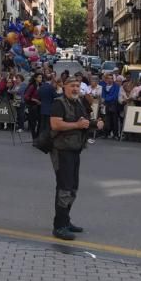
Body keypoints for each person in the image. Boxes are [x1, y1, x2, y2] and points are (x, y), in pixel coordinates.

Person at [48, 75, 103, 241]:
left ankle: (66, 220)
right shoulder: (59, 103)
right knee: (64, 187)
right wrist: (77, 125)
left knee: (73, 187)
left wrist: (95, 124)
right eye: (72, 86)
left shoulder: (78, 102)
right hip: (62, 150)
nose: (75, 89)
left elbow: (84, 121)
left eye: (77, 86)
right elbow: (55, 124)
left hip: (75, 149)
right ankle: (59, 226)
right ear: (64, 87)